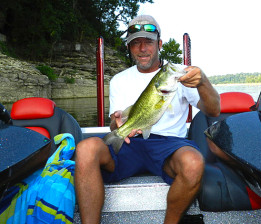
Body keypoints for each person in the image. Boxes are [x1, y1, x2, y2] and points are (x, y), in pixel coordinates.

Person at [75, 15, 220, 224]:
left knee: (194, 162)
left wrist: (203, 82)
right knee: (85, 148)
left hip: (169, 145)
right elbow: (115, 122)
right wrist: (116, 125)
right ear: (129, 47)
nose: (142, 48)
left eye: (148, 42)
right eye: (135, 43)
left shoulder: (180, 74)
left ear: (159, 44)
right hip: (130, 142)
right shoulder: (119, 80)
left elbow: (214, 110)